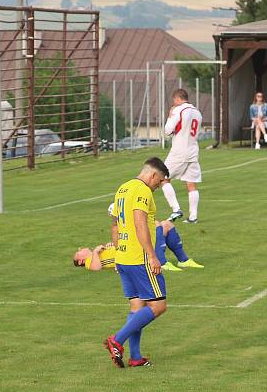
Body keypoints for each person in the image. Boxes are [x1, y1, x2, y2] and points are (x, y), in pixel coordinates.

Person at [104, 157, 170, 368]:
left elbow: (114, 225)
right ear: (153, 175)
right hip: (139, 258)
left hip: (123, 257)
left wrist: (116, 254)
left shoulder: (123, 188)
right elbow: (140, 222)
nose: (159, 186)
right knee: (158, 306)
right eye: (159, 181)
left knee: (137, 306)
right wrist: (152, 255)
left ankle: (135, 357)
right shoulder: (142, 191)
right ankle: (117, 340)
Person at [73, 204, 204, 272]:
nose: (81, 248)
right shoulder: (90, 261)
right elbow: (96, 268)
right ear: (80, 261)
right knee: (158, 225)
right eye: (78, 252)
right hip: (132, 255)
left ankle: (183, 260)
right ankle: (162, 262)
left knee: (166, 224)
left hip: (127, 247)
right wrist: (95, 252)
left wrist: (112, 244)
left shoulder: (98, 253)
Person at [161, 89, 203, 224]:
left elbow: (167, 131)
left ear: (178, 99)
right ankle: (193, 217)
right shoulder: (197, 112)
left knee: (163, 178)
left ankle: (176, 209)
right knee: (191, 184)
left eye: (174, 101)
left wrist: (169, 115)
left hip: (179, 151)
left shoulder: (178, 110)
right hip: (193, 150)